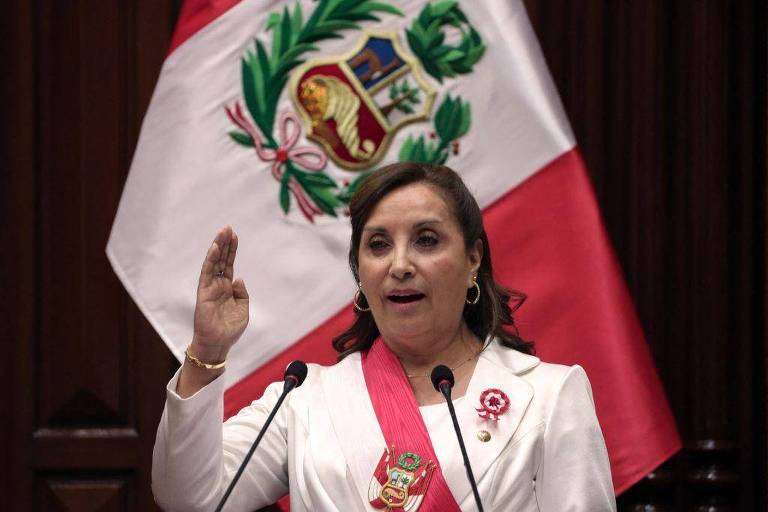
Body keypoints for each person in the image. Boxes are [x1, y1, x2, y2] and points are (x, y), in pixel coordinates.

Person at [152, 162, 617, 511]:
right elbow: (190, 497)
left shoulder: (549, 395)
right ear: (360, 273)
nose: (399, 265)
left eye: (427, 240)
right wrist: (208, 351)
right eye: (377, 245)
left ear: (474, 258)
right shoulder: (304, 399)